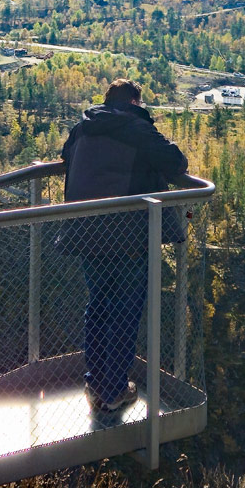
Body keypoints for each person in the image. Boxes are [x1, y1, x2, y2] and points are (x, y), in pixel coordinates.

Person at [56, 79, 189, 413]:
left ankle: (96, 381)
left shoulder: (82, 128)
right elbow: (176, 162)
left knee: (99, 305)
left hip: (86, 232)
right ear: (134, 101)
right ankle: (114, 388)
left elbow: (65, 157)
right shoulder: (137, 128)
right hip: (128, 237)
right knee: (125, 310)